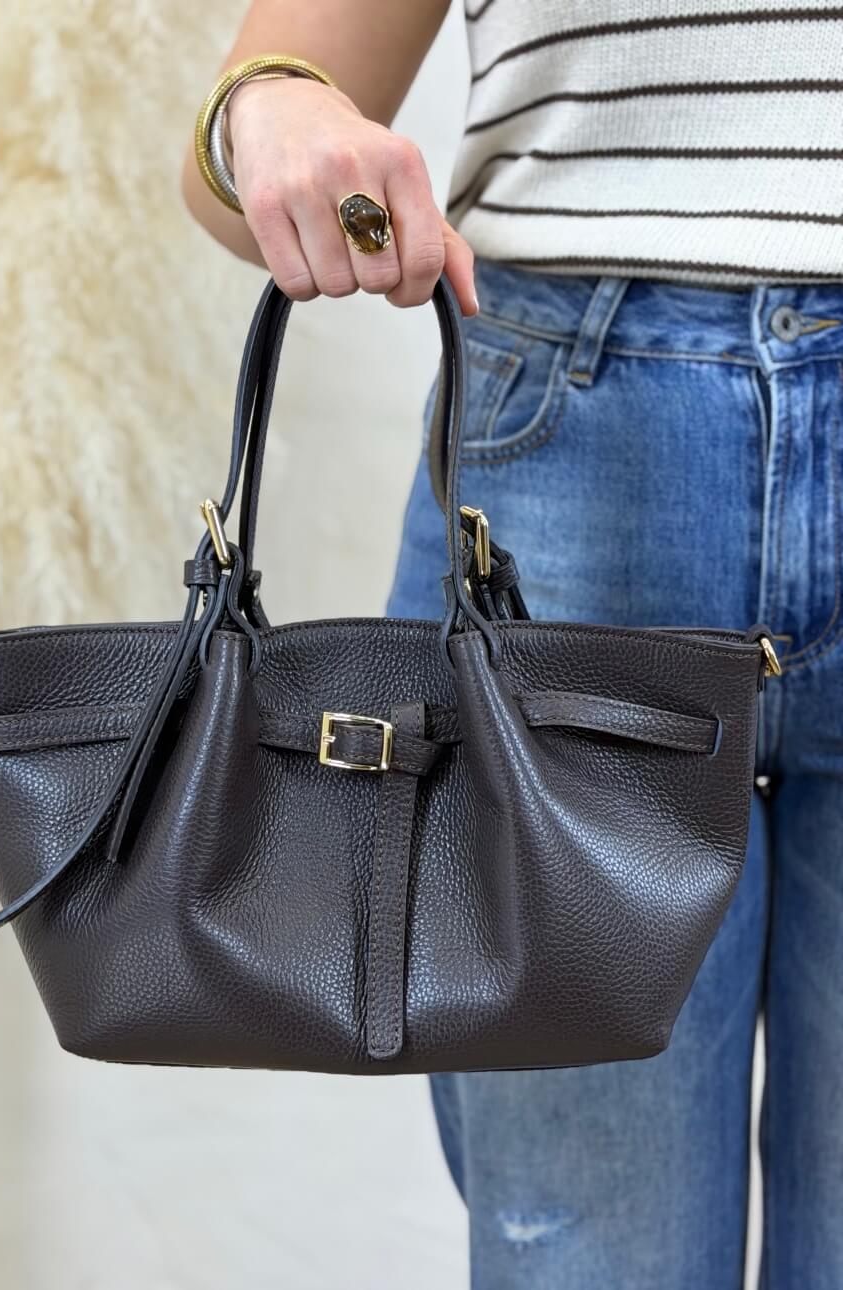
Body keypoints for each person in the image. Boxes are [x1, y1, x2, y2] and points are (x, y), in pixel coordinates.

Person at [182, 4, 843, 1287]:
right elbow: (230, 154)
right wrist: (271, 112)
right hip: (576, 462)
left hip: (567, 451)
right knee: (593, 1253)